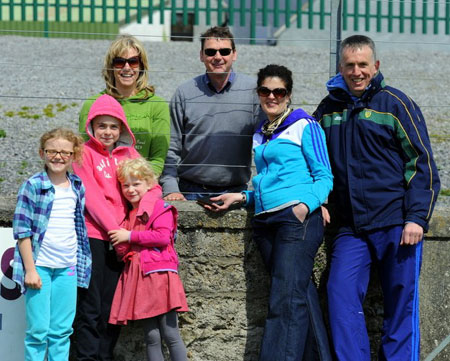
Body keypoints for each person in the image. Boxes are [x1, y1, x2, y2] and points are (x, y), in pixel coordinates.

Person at [313, 35, 441, 361]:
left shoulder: (396, 104)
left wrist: (416, 217)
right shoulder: (327, 111)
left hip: (396, 224)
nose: (357, 72)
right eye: (350, 65)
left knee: (401, 305)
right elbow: (313, 161)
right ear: (340, 67)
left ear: (376, 66)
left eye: (363, 65)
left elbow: (421, 164)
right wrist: (319, 200)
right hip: (350, 228)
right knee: (340, 297)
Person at [210, 65, 333, 361]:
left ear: (288, 94)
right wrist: (242, 197)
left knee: (284, 303)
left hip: (295, 222)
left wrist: (305, 207)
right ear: (259, 94)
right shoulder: (261, 132)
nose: (272, 96)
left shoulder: (305, 125)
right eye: (265, 91)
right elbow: (269, 183)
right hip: (265, 221)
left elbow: (324, 176)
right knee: (298, 296)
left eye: (279, 91)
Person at [73, 94, 161, 360]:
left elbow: (153, 187)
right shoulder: (83, 153)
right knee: (90, 305)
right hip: (95, 236)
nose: (108, 132)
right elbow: (92, 197)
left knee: (112, 307)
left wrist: (135, 226)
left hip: (123, 238)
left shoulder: (129, 153)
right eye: (102, 126)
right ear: (91, 127)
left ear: (122, 128)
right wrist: (116, 234)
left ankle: (104, 356)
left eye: (113, 126)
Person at [12, 128, 91, 361]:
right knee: (38, 331)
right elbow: (22, 230)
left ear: (73, 156)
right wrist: (30, 269)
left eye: (65, 152)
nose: (58, 156)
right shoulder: (33, 185)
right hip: (40, 267)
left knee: (61, 331)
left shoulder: (77, 185)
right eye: (52, 151)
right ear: (42, 153)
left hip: (67, 267)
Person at [160, 26, 262, 201]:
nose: (217, 57)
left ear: (234, 54)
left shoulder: (254, 92)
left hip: (236, 192)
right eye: (210, 51)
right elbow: (172, 147)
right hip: (190, 191)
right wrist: (170, 188)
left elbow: (267, 143)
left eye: (224, 51)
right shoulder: (184, 93)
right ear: (201, 55)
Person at [108, 157, 188, 361]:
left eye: (136, 184)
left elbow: (162, 237)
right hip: (139, 278)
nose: (131, 189)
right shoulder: (129, 213)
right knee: (151, 337)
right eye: (125, 185)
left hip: (159, 276)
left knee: (171, 334)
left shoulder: (160, 207)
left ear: (149, 183)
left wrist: (130, 236)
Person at [79, 34, 170, 176]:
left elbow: (157, 160)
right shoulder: (92, 105)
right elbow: (84, 155)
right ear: (111, 67)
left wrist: (135, 185)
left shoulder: (157, 105)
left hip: (140, 185)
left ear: (141, 66)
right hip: (102, 182)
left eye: (133, 61)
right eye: (120, 62)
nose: (127, 67)